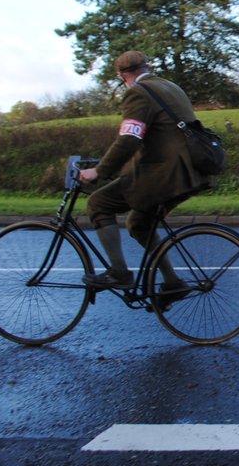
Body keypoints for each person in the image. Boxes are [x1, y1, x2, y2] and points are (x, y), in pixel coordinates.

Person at [77, 51, 215, 300]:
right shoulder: (169, 86)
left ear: (122, 76)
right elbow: (159, 135)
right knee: (139, 224)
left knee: (98, 203)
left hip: (164, 173)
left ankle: (119, 272)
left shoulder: (138, 93)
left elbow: (130, 137)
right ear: (147, 67)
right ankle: (173, 283)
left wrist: (99, 171)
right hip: (188, 172)